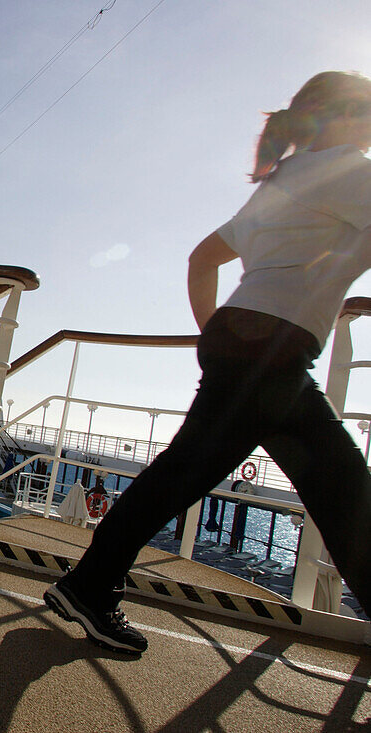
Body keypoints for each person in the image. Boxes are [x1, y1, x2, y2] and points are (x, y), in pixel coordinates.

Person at [44, 71, 371, 654]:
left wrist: (217, 335)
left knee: (317, 488)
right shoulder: (350, 169)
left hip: (256, 347)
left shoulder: (285, 179)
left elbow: (203, 259)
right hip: (269, 352)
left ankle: (88, 585)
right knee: (343, 495)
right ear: (342, 115)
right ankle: (88, 586)